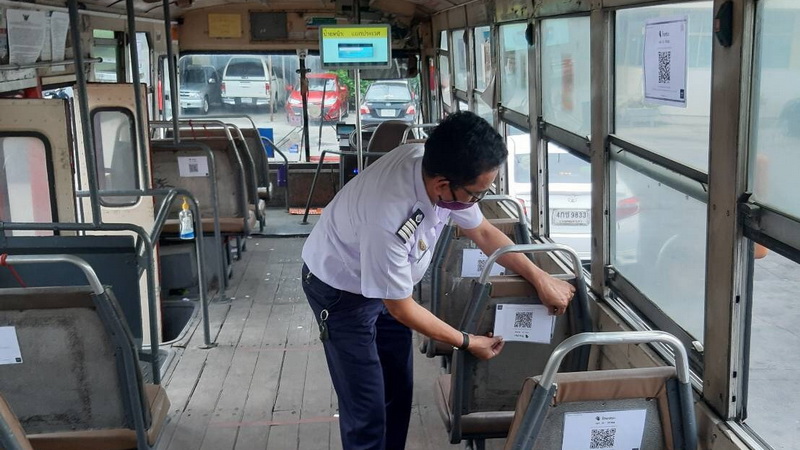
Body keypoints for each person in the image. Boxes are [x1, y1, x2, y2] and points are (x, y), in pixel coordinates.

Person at [300, 111, 575, 450]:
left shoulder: (432, 166)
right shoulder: (388, 216)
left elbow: (485, 233)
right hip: (341, 294)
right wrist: (467, 341)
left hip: (386, 287)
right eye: (476, 194)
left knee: (397, 391)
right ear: (443, 185)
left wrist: (540, 277)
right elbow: (401, 308)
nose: (477, 201)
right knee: (366, 409)